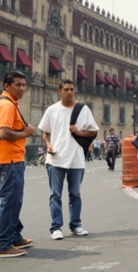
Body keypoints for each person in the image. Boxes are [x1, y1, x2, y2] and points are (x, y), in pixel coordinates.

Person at [38, 80, 99, 240]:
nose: (69, 92)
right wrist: (48, 145)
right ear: (60, 91)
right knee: (55, 195)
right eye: (66, 89)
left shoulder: (83, 109)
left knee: (75, 194)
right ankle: (55, 228)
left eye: (72, 89)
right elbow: (45, 133)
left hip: (76, 158)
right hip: (55, 158)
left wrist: (78, 132)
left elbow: (93, 132)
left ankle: (76, 225)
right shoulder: (52, 110)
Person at [0, 71, 35, 258]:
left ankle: (15, 236)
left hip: (8, 159)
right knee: (11, 201)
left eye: (24, 85)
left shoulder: (8, 103)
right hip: (10, 160)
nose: (22, 88)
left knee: (13, 200)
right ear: (6, 86)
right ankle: (2, 244)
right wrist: (26, 133)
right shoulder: (7, 105)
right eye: (18, 85)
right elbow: (4, 133)